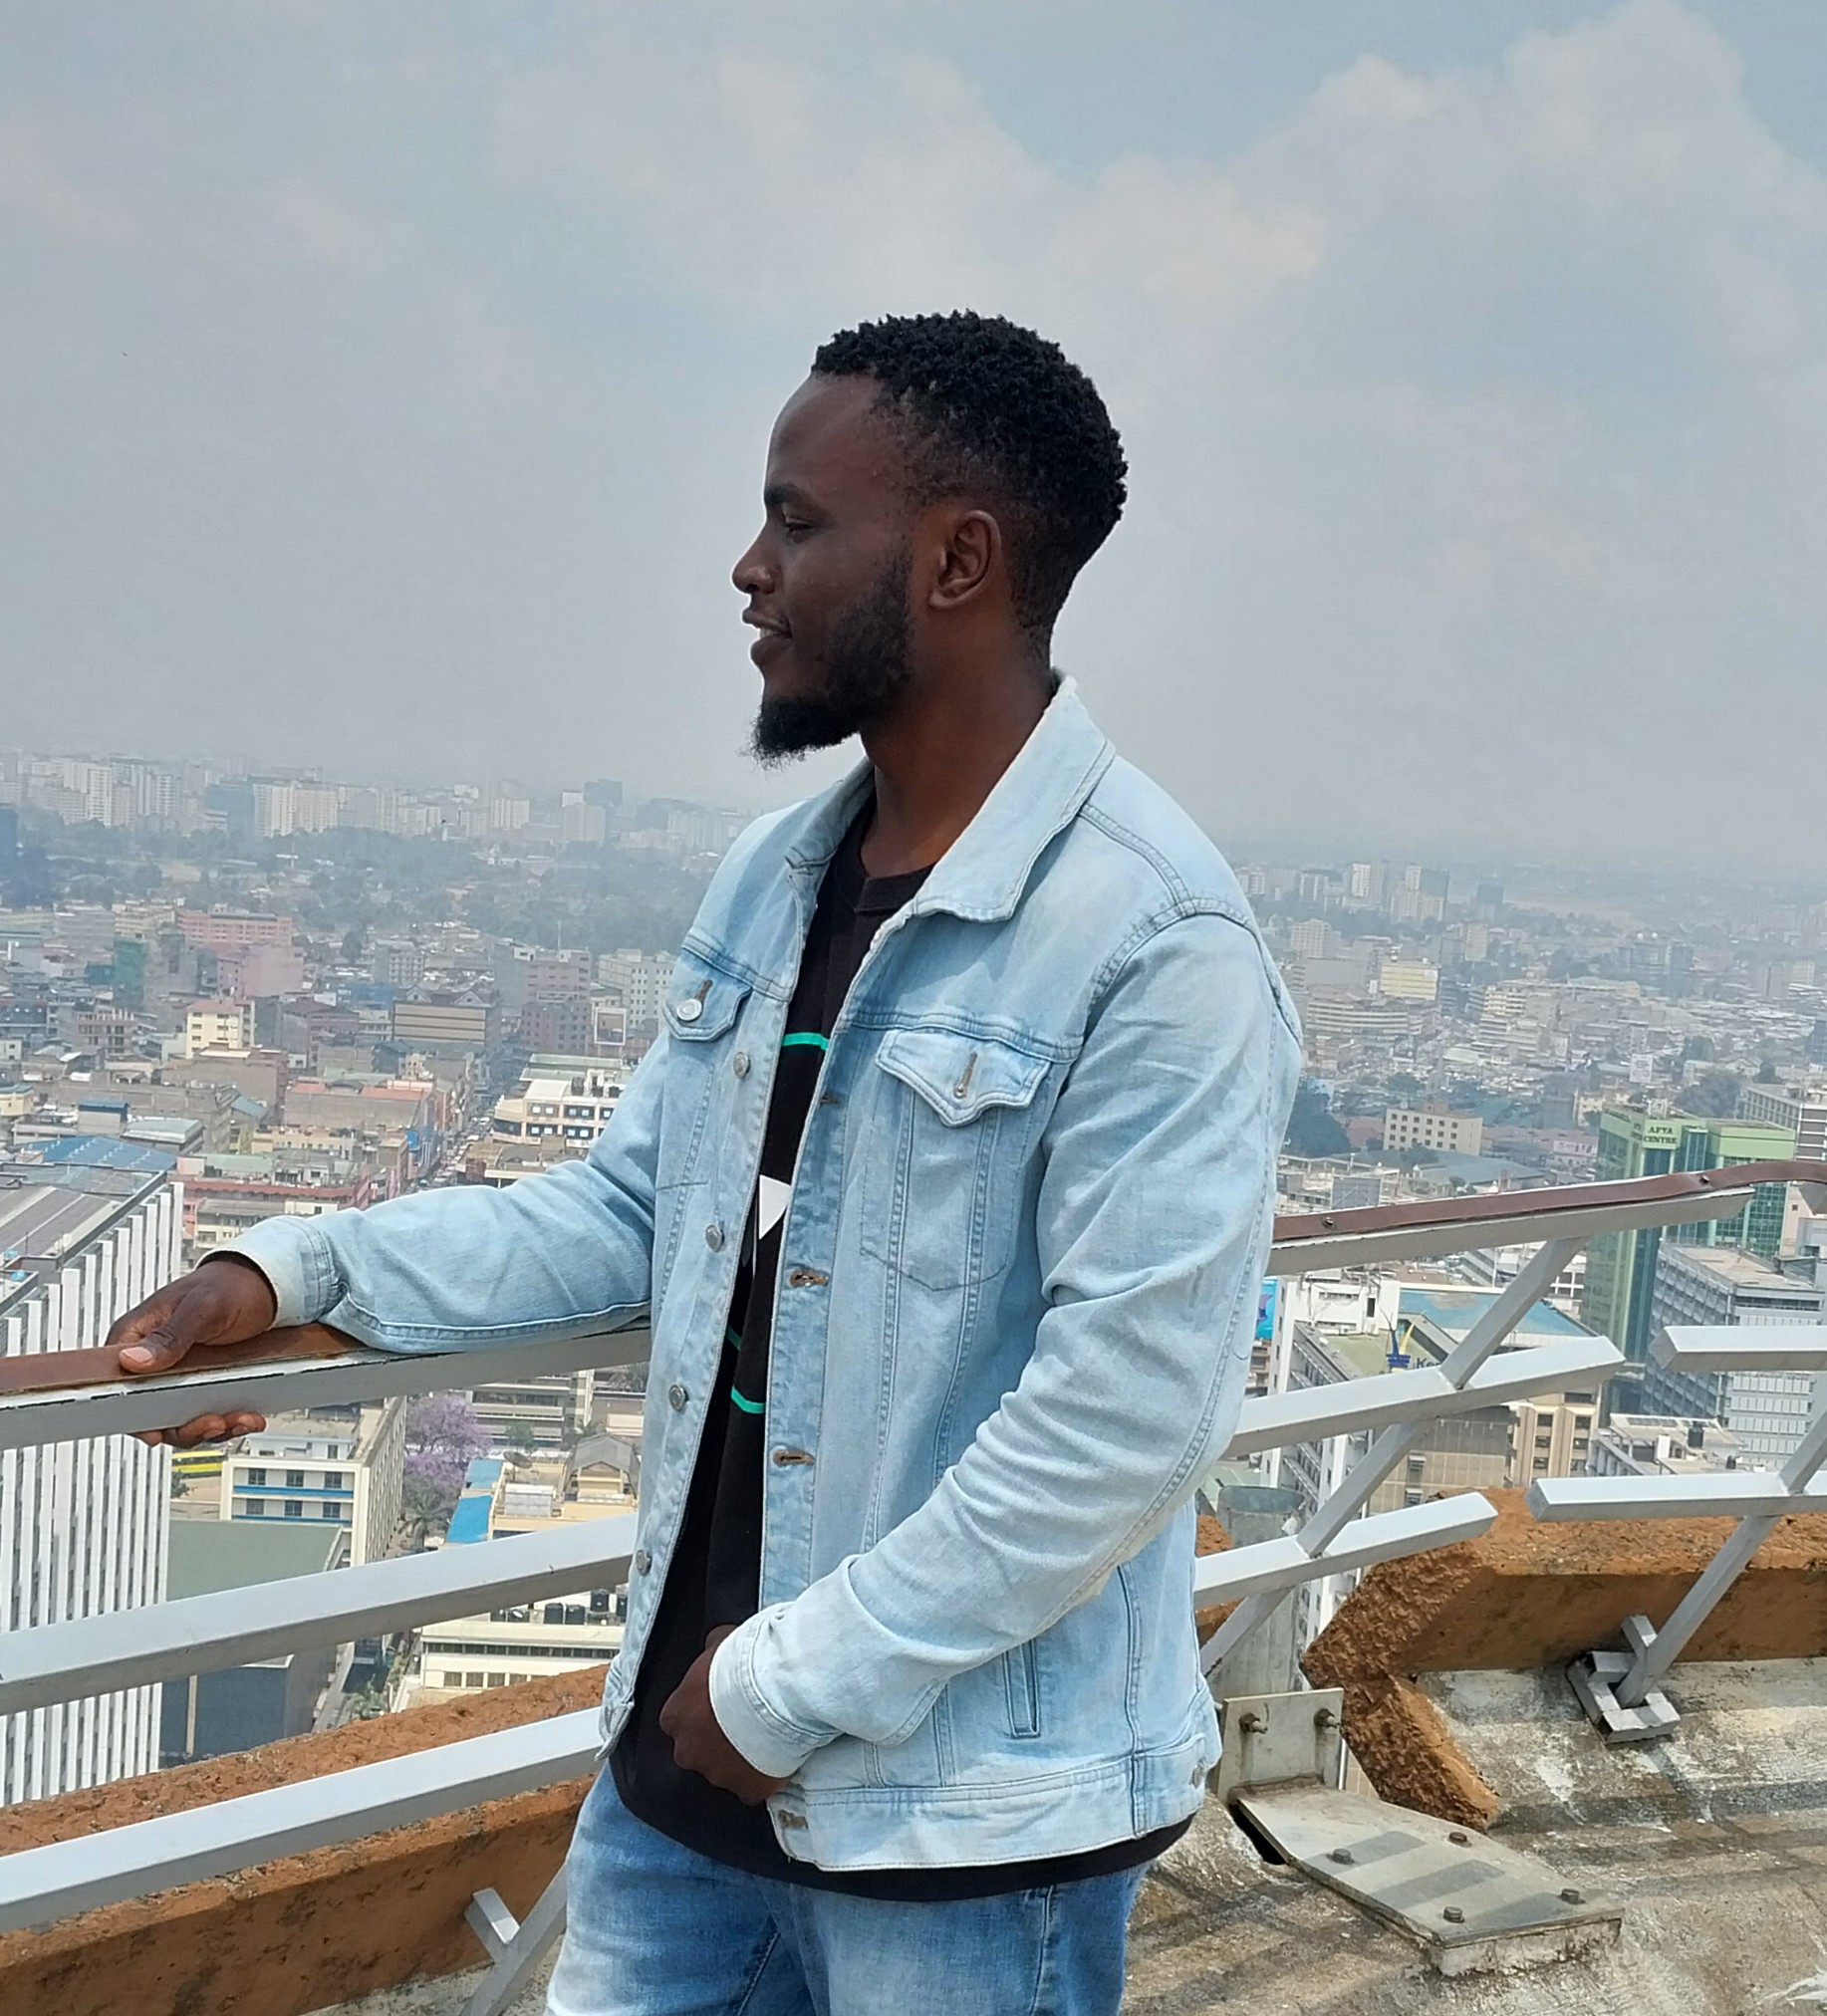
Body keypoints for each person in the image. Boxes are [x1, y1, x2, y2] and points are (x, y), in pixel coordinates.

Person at [110, 311, 1300, 2016]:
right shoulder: (776, 878)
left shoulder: (1153, 942)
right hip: (678, 1782)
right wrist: (299, 1274)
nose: (749, 571)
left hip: (948, 1829)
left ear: (957, 561)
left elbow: (1127, 1413)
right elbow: (631, 1215)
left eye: (798, 523)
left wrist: (787, 1686)